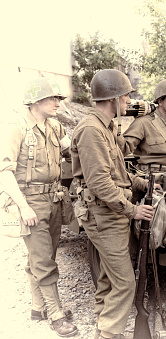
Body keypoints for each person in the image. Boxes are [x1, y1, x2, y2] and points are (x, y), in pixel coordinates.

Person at [70, 69, 155, 339]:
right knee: (125, 283)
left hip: (109, 212)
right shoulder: (91, 131)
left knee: (108, 277)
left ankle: (102, 328)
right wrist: (133, 210)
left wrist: (142, 183)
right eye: (126, 95)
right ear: (113, 98)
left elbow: (117, 171)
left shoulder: (105, 127)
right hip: (103, 214)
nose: (129, 101)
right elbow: (100, 183)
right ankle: (110, 334)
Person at [0, 77, 78, 337]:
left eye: (58, 98)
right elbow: (4, 171)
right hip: (30, 202)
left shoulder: (55, 127)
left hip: (54, 199)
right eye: (52, 98)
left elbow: (73, 150)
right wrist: (23, 207)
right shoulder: (17, 127)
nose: (57, 103)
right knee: (43, 260)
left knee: (44, 256)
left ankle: (37, 307)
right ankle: (55, 315)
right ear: (35, 100)